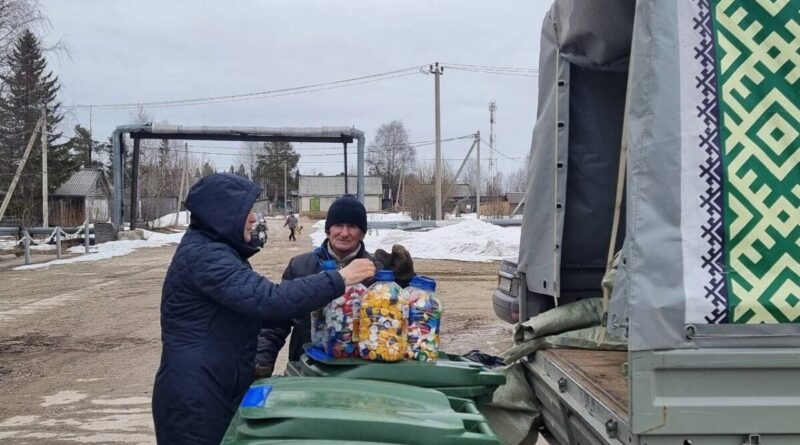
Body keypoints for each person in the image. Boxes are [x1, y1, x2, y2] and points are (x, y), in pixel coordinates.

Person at [151, 174, 375, 445]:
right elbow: (270, 302)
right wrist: (340, 278)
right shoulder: (207, 257)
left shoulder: (213, 250)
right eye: (247, 212)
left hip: (212, 386)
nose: (254, 219)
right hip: (197, 396)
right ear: (223, 215)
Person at [255, 195, 414, 377]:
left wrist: (404, 279)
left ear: (362, 233)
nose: (344, 233)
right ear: (327, 230)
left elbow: (403, 318)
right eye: (338, 225)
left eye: (352, 226)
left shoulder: (376, 270)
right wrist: (262, 360)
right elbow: (276, 322)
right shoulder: (301, 266)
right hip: (307, 369)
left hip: (362, 372)